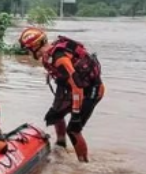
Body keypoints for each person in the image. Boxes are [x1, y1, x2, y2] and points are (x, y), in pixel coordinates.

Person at [18, 27, 105, 163]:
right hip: (70, 87)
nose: (29, 53)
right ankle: (61, 146)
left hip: (91, 90)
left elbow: (78, 87)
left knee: (74, 129)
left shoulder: (60, 59)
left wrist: (75, 114)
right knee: (54, 116)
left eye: (29, 49)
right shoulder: (49, 55)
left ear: (34, 47)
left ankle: (83, 164)